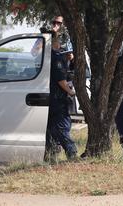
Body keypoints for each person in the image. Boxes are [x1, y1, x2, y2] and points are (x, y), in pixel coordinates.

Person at [44, 32, 77, 162]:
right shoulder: (56, 57)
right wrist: (71, 92)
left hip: (52, 96)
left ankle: (52, 154)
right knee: (61, 126)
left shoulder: (50, 56)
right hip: (58, 97)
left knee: (52, 128)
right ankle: (71, 150)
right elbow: (61, 80)